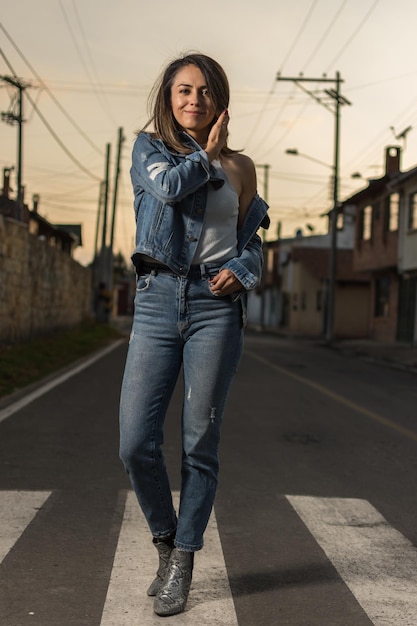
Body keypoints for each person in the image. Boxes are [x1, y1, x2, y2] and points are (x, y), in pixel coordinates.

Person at [119, 52, 269, 617]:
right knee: (135, 441)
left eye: (205, 92)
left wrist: (245, 268)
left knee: (199, 444)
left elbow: (252, 237)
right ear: (168, 97)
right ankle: (164, 542)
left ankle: (183, 560)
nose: (194, 101)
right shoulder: (149, 151)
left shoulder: (242, 167)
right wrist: (205, 154)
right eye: (183, 91)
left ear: (220, 101)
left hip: (215, 307)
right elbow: (168, 192)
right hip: (158, 301)